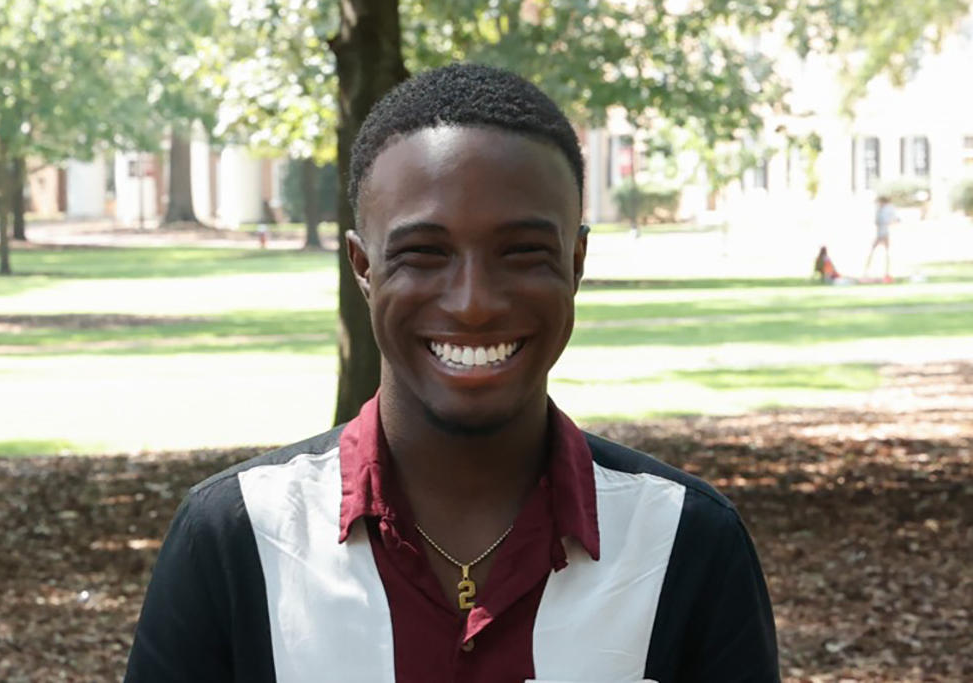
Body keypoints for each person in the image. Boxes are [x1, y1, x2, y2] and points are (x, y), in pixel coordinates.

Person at [124, 64, 780, 683]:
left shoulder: (686, 544)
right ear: (362, 266)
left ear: (576, 261)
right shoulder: (236, 538)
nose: (472, 302)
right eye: (423, 253)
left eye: (522, 253)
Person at [864, 195, 898, 281]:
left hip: (886, 233)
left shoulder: (888, 209)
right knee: (872, 251)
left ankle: (887, 272)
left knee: (888, 253)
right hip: (879, 233)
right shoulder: (879, 209)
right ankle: (866, 272)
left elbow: (893, 220)